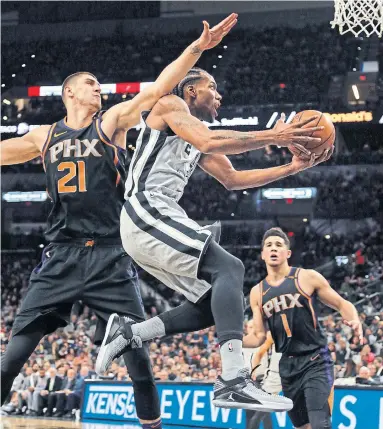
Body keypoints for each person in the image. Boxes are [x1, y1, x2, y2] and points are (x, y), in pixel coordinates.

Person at [0, 15, 238, 428]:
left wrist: (196, 48)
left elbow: (160, 89)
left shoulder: (111, 123)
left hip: (111, 254)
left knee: (140, 364)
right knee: (13, 358)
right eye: (91, 84)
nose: (99, 89)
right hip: (61, 255)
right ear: (69, 91)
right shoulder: (44, 136)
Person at [96, 67, 332, 411]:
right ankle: (234, 380)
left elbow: (234, 179)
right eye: (212, 87)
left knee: (216, 303)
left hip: (152, 222)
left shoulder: (195, 135)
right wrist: (274, 136)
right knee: (230, 268)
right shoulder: (170, 105)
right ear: (191, 91)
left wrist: (291, 169)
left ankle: (131, 333)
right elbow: (209, 140)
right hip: (145, 209)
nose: (219, 95)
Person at [243, 228, 363, 429]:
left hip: (315, 359)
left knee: (320, 423)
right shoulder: (257, 292)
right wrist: (232, 338)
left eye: (279, 245)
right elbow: (258, 336)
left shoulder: (306, 277)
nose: (273, 248)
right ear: (263, 254)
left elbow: (342, 304)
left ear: (288, 253)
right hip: (288, 366)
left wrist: (355, 320)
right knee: (302, 426)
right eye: (269, 245)